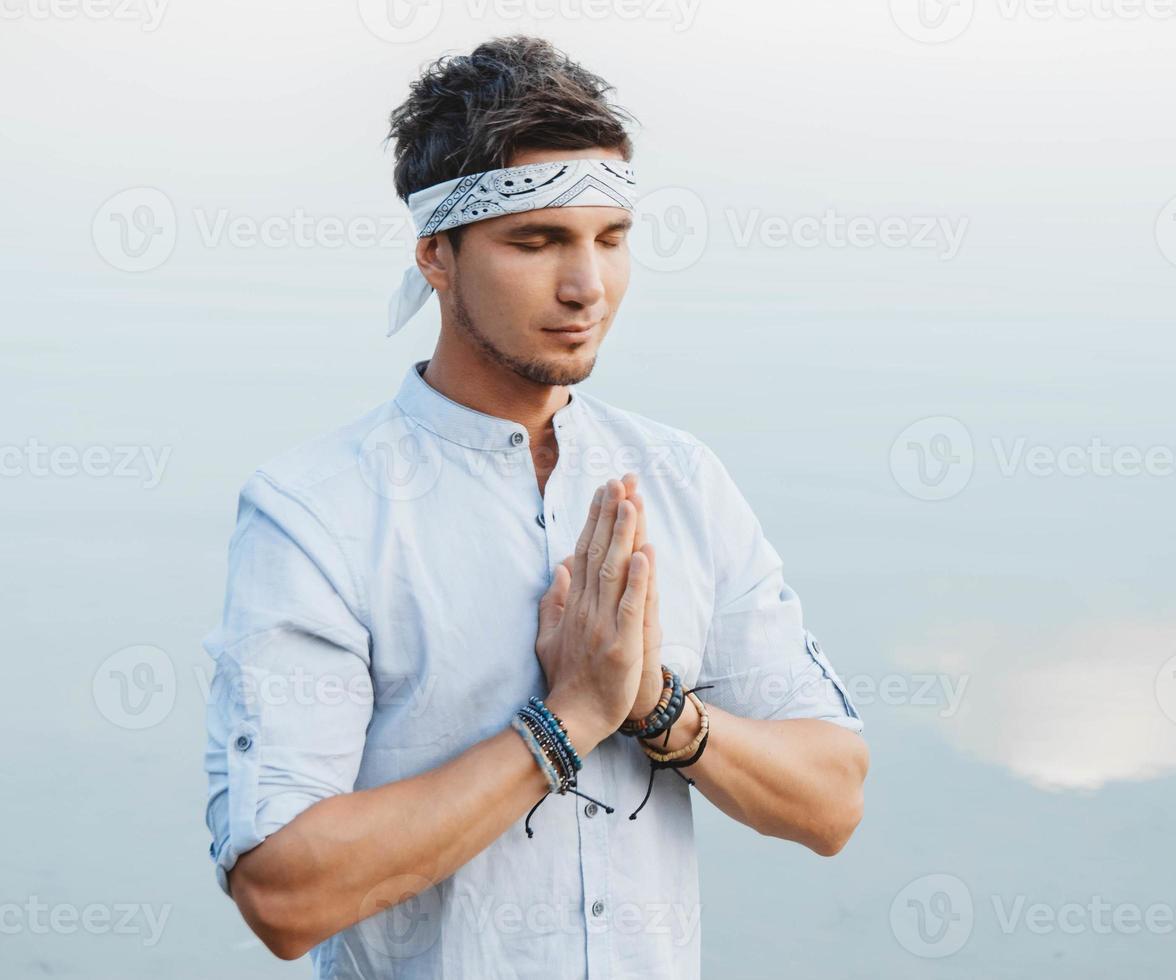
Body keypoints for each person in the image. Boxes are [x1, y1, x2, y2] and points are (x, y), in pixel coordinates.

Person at [202, 34, 868, 979]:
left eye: (610, 238)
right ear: (437, 252)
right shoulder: (316, 514)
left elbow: (832, 801)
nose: (586, 286)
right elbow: (283, 894)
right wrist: (566, 722)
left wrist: (657, 709)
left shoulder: (679, 477)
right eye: (537, 240)